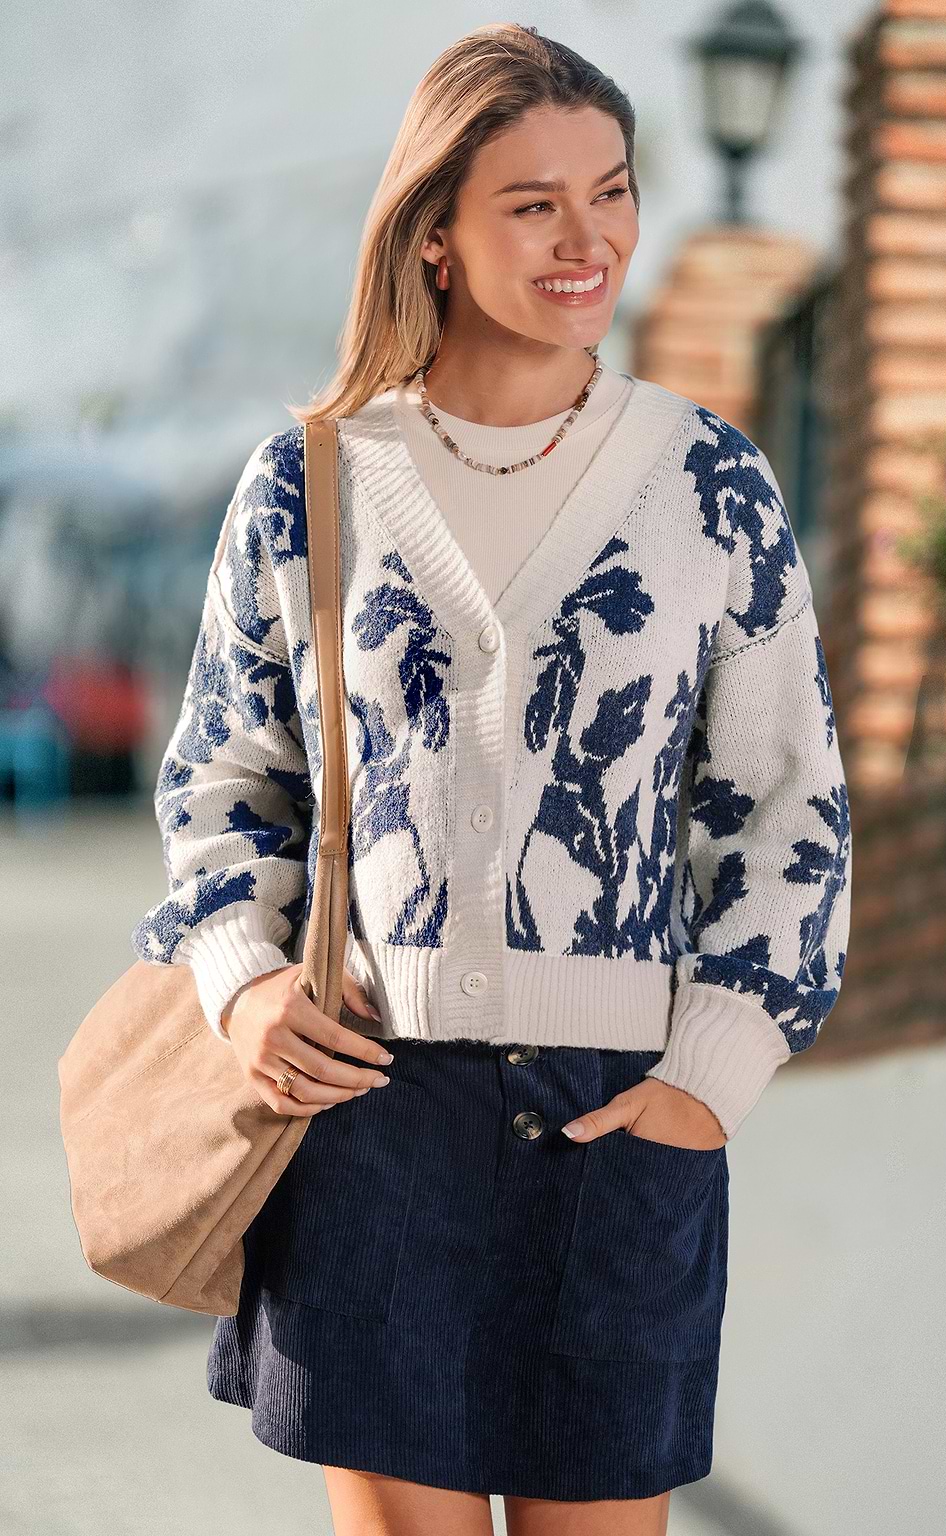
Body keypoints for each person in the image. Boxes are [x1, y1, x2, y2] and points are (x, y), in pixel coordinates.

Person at [130, 22, 851, 1536]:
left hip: (619, 1126)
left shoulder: (708, 482)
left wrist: (710, 1080)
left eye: (613, 190)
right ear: (438, 235)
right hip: (371, 1123)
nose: (589, 238)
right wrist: (247, 984)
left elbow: (788, 806)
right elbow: (223, 786)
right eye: (533, 203)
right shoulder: (312, 479)